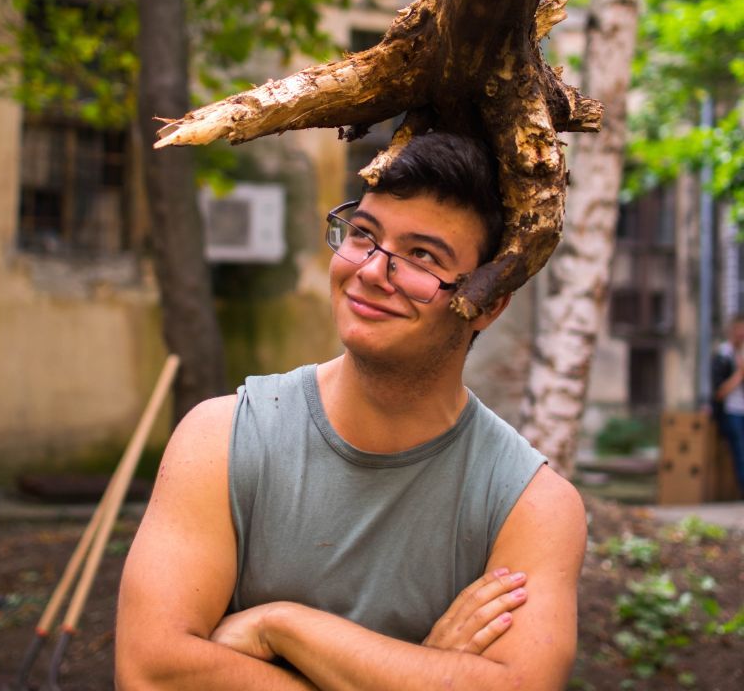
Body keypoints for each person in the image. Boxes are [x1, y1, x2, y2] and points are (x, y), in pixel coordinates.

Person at [115, 132, 587, 690]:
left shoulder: (531, 506)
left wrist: (280, 627)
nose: (370, 271)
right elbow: (150, 673)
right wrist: (415, 675)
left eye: (421, 255)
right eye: (364, 235)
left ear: (487, 304)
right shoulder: (221, 439)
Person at [711, 315, 744, 497]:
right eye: (739, 329)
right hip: (732, 411)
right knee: (741, 451)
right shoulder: (723, 356)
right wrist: (739, 374)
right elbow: (719, 392)